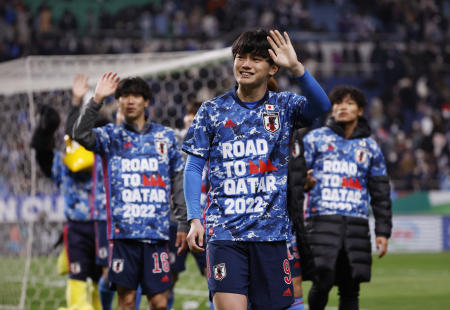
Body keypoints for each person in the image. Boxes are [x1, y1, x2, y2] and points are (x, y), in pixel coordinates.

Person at [182, 29, 331, 310]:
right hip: (224, 234)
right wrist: (194, 219)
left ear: (273, 67)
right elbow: (193, 167)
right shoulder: (211, 110)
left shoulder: (284, 106)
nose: (246, 64)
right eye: (240, 57)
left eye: (256, 59)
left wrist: (297, 68)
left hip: (272, 235)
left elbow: (322, 106)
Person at [72, 74, 188, 310]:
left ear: (146, 101)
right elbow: (80, 134)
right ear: (118, 102)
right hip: (124, 237)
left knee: (159, 302)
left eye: (136, 96)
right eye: (124, 96)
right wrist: (96, 100)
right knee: (126, 302)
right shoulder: (110, 136)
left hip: (157, 234)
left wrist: (183, 222)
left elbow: (178, 178)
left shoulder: (165, 136)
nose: (130, 101)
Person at [302, 85, 392, 310]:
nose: (342, 107)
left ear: (360, 110)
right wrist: (304, 182)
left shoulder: (370, 147)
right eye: (338, 103)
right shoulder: (314, 139)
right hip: (321, 220)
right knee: (322, 280)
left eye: (349, 103)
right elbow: (295, 178)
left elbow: (380, 193)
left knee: (351, 287)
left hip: (356, 224)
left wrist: (382, 231)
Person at [31, 73, 106, 310]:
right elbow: (43, 155)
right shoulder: (63, 165)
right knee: (77, 278)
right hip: (76, 228)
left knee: (101, 281)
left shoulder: (105, 160)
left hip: (104, 225)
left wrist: (88, 103)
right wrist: (45, 130)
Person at [168, 100, 210, 310]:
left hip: (207, 222)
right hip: (177, 223)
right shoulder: (176, 147)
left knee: (213, 275)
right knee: (168, 278)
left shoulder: (215, 146)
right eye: (188, 121)